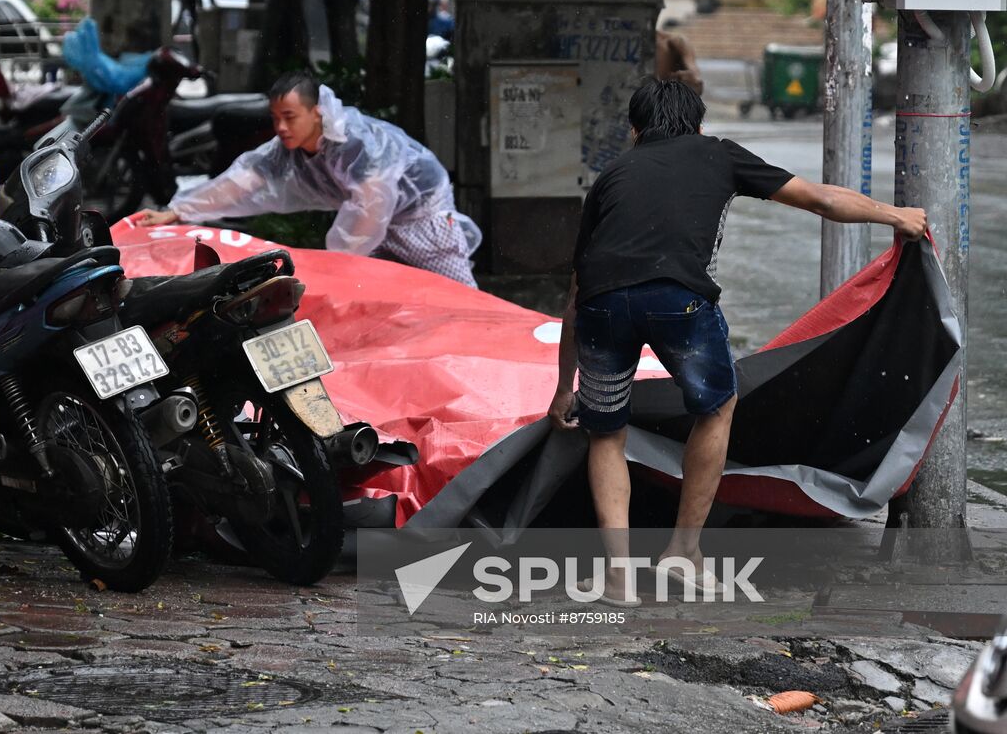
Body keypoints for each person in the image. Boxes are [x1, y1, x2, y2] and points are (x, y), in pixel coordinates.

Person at [547, 77, 927, 606]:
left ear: (634, 131)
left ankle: (617, 578)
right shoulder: (718, 154)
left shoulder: (611, 175)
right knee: (717, 407)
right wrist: (896, 215)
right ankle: (682, 551)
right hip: (678, 301)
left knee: (605, 432)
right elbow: (819, 198)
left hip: (602, 308)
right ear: (699, 125)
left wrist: (564, 386)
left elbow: (576, 290)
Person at [133, 72, 482, 287]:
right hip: (374, 229)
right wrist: (178, 212)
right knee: (377, 304)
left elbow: (370, 208)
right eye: (275, 118)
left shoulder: (355, 143)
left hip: (422, 219)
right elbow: (242, 180)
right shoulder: (286, 148)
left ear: (316, 113)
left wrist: (338, 262)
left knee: (463, 301)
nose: (281, 127)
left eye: (290, 117)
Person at [623, 0, 704, 96]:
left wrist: (688, 81)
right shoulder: (608, 45)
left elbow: (697, 85)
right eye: (643, 8)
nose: (651, 15)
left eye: (655, 8)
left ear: (660, 7)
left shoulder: (674, 44)